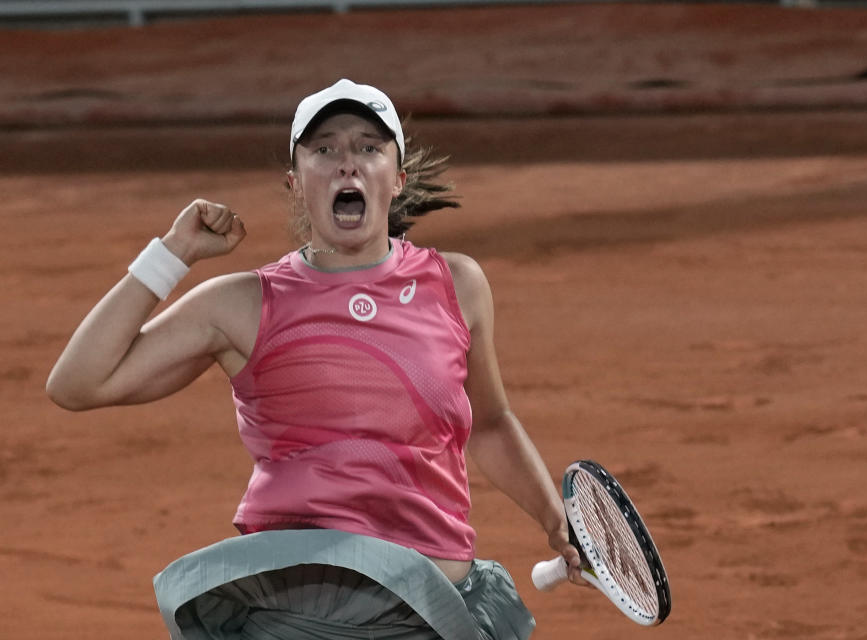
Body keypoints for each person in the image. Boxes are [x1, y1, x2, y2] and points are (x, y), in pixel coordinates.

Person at [46, 78, 585, 640]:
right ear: (296, 182)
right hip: (300, 622)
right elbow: (78, 382)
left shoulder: (457, 284)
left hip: (439, 607)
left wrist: (556, 520)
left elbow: (490, 424)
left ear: (396, 179)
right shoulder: (244, 303)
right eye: (324, 149)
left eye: (368, 148)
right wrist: (173, 253)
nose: (346, 163)